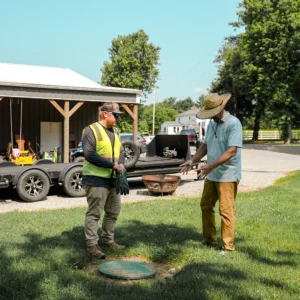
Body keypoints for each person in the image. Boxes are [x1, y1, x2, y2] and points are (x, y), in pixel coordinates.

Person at [180, 93, 242, 254]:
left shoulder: (234, 123)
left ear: (220, 108)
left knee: (226, 210)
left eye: (212, 113)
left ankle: (228, 247)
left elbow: (231, 151)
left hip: (227, 174)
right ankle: (209, 240)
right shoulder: (211, 124)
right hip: (212, 173)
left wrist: (210, 165)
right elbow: (205, 146)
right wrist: (192, 160)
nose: (210, 117)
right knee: (206, 205)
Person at [82, 102, 126, 259]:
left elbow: (121, 151)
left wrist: (121, 165)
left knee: (113, 211)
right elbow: (89, 154)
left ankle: (108, 240)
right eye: (116, 115)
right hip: (95, 179)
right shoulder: (90, 130)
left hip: (113, 179)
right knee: (94, 214)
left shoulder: (116, 131)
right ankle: (92, 245)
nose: (118, 118)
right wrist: (112, 165)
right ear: (105, 114)